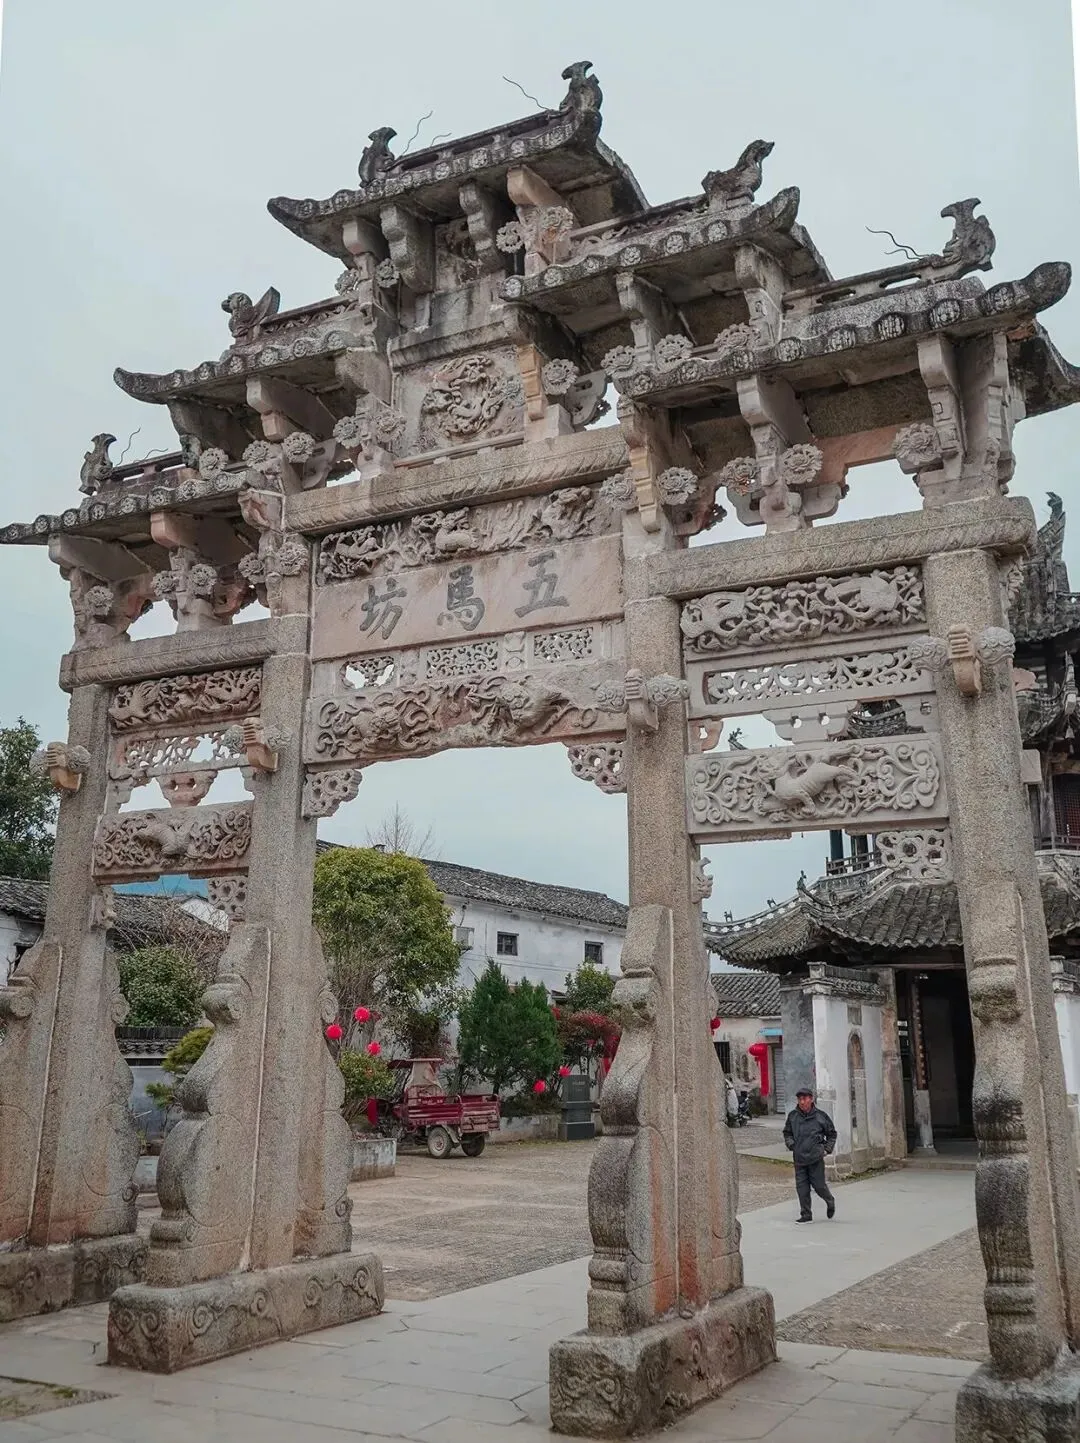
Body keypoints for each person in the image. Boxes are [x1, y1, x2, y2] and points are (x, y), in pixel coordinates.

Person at [783, 1087, 837, 1222]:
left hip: (815, 1158)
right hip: (799, 1158)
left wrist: (827, 1149)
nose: (802, 1102)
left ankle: (829, 1200)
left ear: (811, 1099)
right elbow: (787, 1133)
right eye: (800, 1099)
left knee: (819, 1186)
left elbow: (832, 1134)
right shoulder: (793, 1116)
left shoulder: (820, 1116)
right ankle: (806, 1214)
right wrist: (791, 1144)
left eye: (805, 1099)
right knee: (802, 1188)